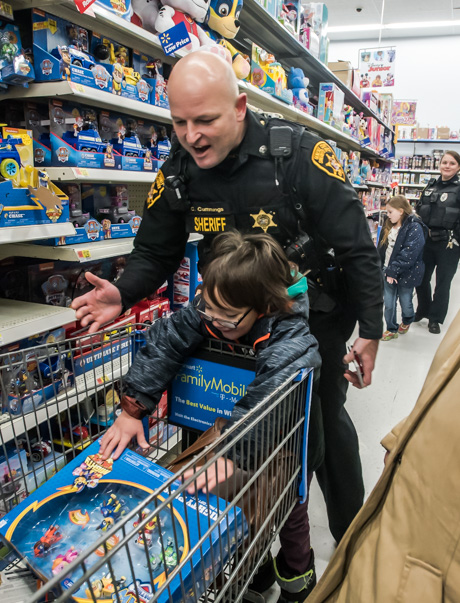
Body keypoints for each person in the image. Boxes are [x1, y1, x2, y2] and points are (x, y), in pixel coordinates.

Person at [72, 51, 383, 582]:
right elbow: (154, 251)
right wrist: (123, 293)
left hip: (314, 313)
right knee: (240, 420)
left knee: (317, 423)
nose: (191, 136)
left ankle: (350, 533)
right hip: (230, 313)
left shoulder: (300, 155)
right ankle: (252, 544)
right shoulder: (177, 173)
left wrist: (372, 330)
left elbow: (357, 248)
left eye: (205, 120)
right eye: (179, 122)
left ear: (240, 108)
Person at [99, 231, 323, 601]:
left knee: (290, 514)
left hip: (292, 441)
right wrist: (132, 407)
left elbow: (275, 388)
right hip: (239, 436)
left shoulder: (289, 330)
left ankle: (298, 580)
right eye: (208, 308)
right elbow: (167, 339)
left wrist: (232, 451)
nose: (214, 322)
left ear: (264, 307)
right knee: (245, 510)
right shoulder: (219, 305)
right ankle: (259, 570)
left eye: (228, 318)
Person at [308, 308, 460, 603]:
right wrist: (404, 436)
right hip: (411, 488)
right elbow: (444, 383)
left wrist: (368, 329)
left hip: (431, 553)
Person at [415, 150, 460, 334]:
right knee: (421, 278)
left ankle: (435, 318)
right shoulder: (431, 185)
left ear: (458, 167)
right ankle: (423, 309)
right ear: (439, 164)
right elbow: (419, 209)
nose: (447, 166)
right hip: (427, 240)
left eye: (452, 163)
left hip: (449, 243)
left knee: (443, 282)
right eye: (444, 162)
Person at [378, 195, 426, 341]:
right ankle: (391, 328)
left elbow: (409, 254)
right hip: (387, 270)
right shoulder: (388, 225)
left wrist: (393, 270)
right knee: (389, 303)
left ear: (401, 211)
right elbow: (381, 248)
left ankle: (407, 318)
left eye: (390, 212)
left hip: (406, 273)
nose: (388, 215)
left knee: (406, 301)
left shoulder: (414, 227)